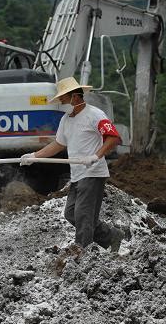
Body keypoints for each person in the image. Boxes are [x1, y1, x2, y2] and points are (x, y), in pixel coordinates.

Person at [21, 77, 124, 252]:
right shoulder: (66, 120)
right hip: (77, 174)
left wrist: (96, 156)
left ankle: (81, 253)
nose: (60, 100)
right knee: (70, 214)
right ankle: (111, 235)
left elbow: (114, 138)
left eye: (63, 96)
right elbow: (58, 144)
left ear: (75, 97)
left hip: (92, 173)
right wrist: (34, 156)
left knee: (83, 215)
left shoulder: (95, 115)